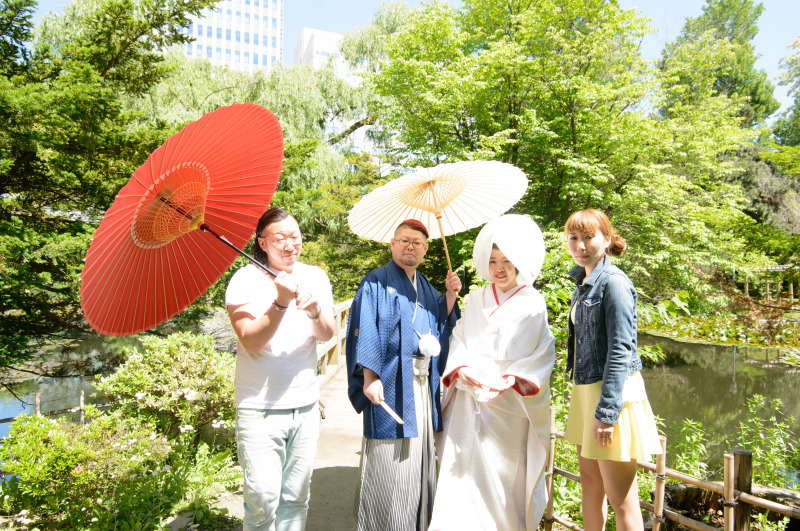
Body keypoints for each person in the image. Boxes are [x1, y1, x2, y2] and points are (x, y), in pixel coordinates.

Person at [429, 214, 556, 531]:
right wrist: (461, 368)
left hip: (508, 405)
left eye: (506, 260)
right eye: (493, 260)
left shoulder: (532, 302)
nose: (499, 268)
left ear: (519, 262)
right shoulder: (477, 298)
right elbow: (459, 337)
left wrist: (511, 379)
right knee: (460, 476)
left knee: (501, 480)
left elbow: (542, 351)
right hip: (469, 399)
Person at [345, 219, 462, 531]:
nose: (410, 247)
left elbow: (439, 326)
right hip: (391, 380)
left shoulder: (425, 287)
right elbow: (366, 329)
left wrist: (449, 297)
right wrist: (370, 377)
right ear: (392, 244)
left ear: (425, 249)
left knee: (419, 455)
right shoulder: (375, 283)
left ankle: (415, 523)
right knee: (390, 456)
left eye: (417, 243)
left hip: (421, 386)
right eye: (404, 240)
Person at [225, 207, 335, 531]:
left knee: (296, 498)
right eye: (280, 238)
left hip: (305, 405)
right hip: (259, 407)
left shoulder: (315, 276)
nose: (290, 245)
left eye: (295, 237)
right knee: (262, 500)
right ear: (262, 242)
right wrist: (281, 302)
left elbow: (328, 333)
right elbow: (250, 341)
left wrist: (315, 310)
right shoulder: (244, 280)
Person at [563, 209, 662, 531]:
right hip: (586, 391)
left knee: (622, 501)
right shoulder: (584, 281)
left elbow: (621, 349)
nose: (580, 246)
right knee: (590, 486)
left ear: (606, 239)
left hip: (612, 395)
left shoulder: (615, 283)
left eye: (589, 237)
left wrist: (607, 412)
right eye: (573, 238)